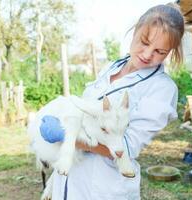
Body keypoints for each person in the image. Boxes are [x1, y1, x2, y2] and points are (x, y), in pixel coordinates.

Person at [40, 3, 184, 200]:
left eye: (160, 52)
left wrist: (66, 135)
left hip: (105, 187)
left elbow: (126, 147)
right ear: (135, 31)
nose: (147, 54)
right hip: (72, 178)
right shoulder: (111, 68)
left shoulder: (161, 89)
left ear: (170, 52)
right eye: (144, 42)